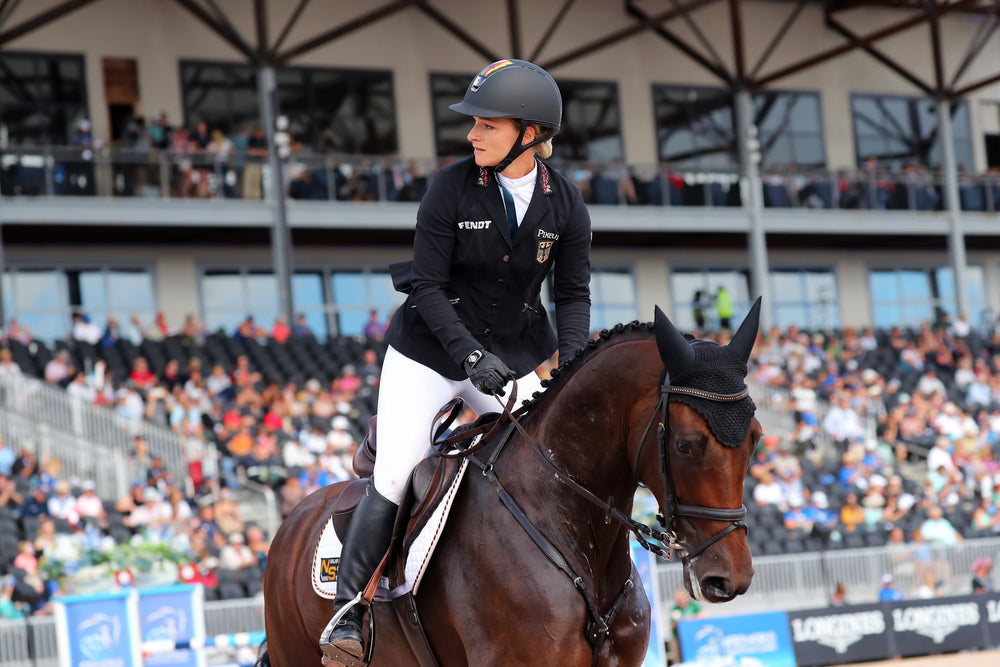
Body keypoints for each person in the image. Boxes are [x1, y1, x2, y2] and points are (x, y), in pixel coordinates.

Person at [319, 58, 592, 661]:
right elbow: (426, 285)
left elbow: (572, 296)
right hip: (428, 354)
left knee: (551, 463)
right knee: (397, 472)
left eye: (486, 125)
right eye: (474, 124)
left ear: (529, 134)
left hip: (510, 356)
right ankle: (349, 611)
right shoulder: (450, 186)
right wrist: (469, 355)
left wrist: (569, 370)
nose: (472, 135)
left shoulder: (566, 204)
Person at [667, 587, 705, 665]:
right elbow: (671, 626)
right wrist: (677, 621)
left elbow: (703, 615)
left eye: (682, 597)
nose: (681, 600)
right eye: (679, 599)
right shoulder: (675, 609)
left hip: (691, 638)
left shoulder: (693, 606)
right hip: (678, 638)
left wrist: (690, 619)